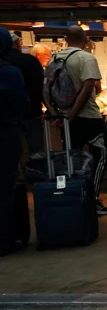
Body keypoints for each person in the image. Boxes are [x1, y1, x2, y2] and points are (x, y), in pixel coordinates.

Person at [51, 25, 107, 216]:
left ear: (66, 39)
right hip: (88, 117)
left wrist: (58, 114)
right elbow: (89, 88)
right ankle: (92, 200)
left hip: (66, 119)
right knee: (101, 155)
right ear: (85, 38)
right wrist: (73, 114)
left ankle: (75, 200)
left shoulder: (55, 58)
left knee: (73, 161)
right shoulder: (86, 58)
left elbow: (45, 88)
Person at [0, 28, 30, 256]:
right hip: (5, 137)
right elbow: (22, 107)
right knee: (4, 188)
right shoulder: (9, 73)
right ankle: (5, 239)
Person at [5, 32, 44, 154]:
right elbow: (41, 87)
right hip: (32, 114)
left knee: (12, 152)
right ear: (17, 43)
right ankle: (36, 171)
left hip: (8, 117)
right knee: (37, 152)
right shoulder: (30, 61)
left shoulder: (3, 63)